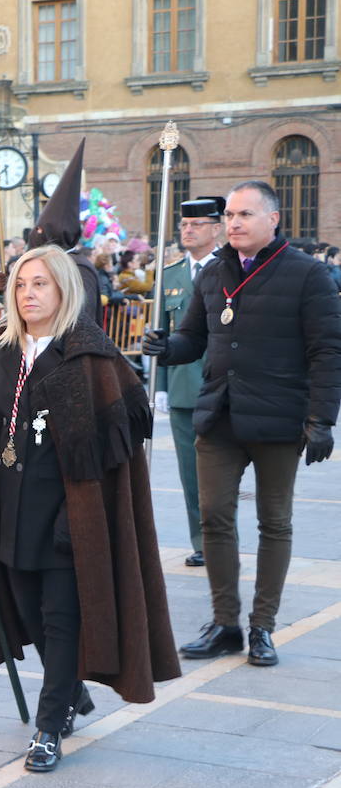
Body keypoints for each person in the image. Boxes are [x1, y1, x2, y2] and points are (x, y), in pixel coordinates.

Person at [0, 244, 180, 773]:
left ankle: (49, 729)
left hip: (70, 512)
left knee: (60, 618)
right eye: (21, 285)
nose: (28, 294)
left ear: (64, 289)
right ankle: (67, 690)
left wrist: (80, 517)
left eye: (40, 283)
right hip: (10, 509)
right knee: (27, 612)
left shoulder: (88, 355)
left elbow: (118, 441)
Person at [145, 180, 341, 667]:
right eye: (229, 215)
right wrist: (165, 348)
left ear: (273, 219)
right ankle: (226, 622)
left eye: (245, 215)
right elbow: (192, 338)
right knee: (214, 517)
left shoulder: (308, 275)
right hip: (221, 413)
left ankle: (262, 626)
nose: (233, 223)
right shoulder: (212, 274)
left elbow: (327, 352)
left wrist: (321, 420)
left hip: (278, 418)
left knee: (274, 523)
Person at [153, 197, 224, 568]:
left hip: (224, 387)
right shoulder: (171, 276)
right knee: (190, 474)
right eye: (184, 225)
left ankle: (222, 538)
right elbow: (161, 334)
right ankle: (202, 542)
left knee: (221, 474)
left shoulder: (234, 271)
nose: (188, 230)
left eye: (197, 225)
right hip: (183, 389)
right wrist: (161, 384)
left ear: (216, 229)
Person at [27, 140, 99, 326]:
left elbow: (82, 318)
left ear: (54, 234)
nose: (36, 236)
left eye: (41, 231)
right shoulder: (48, 263)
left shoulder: (79, 269)